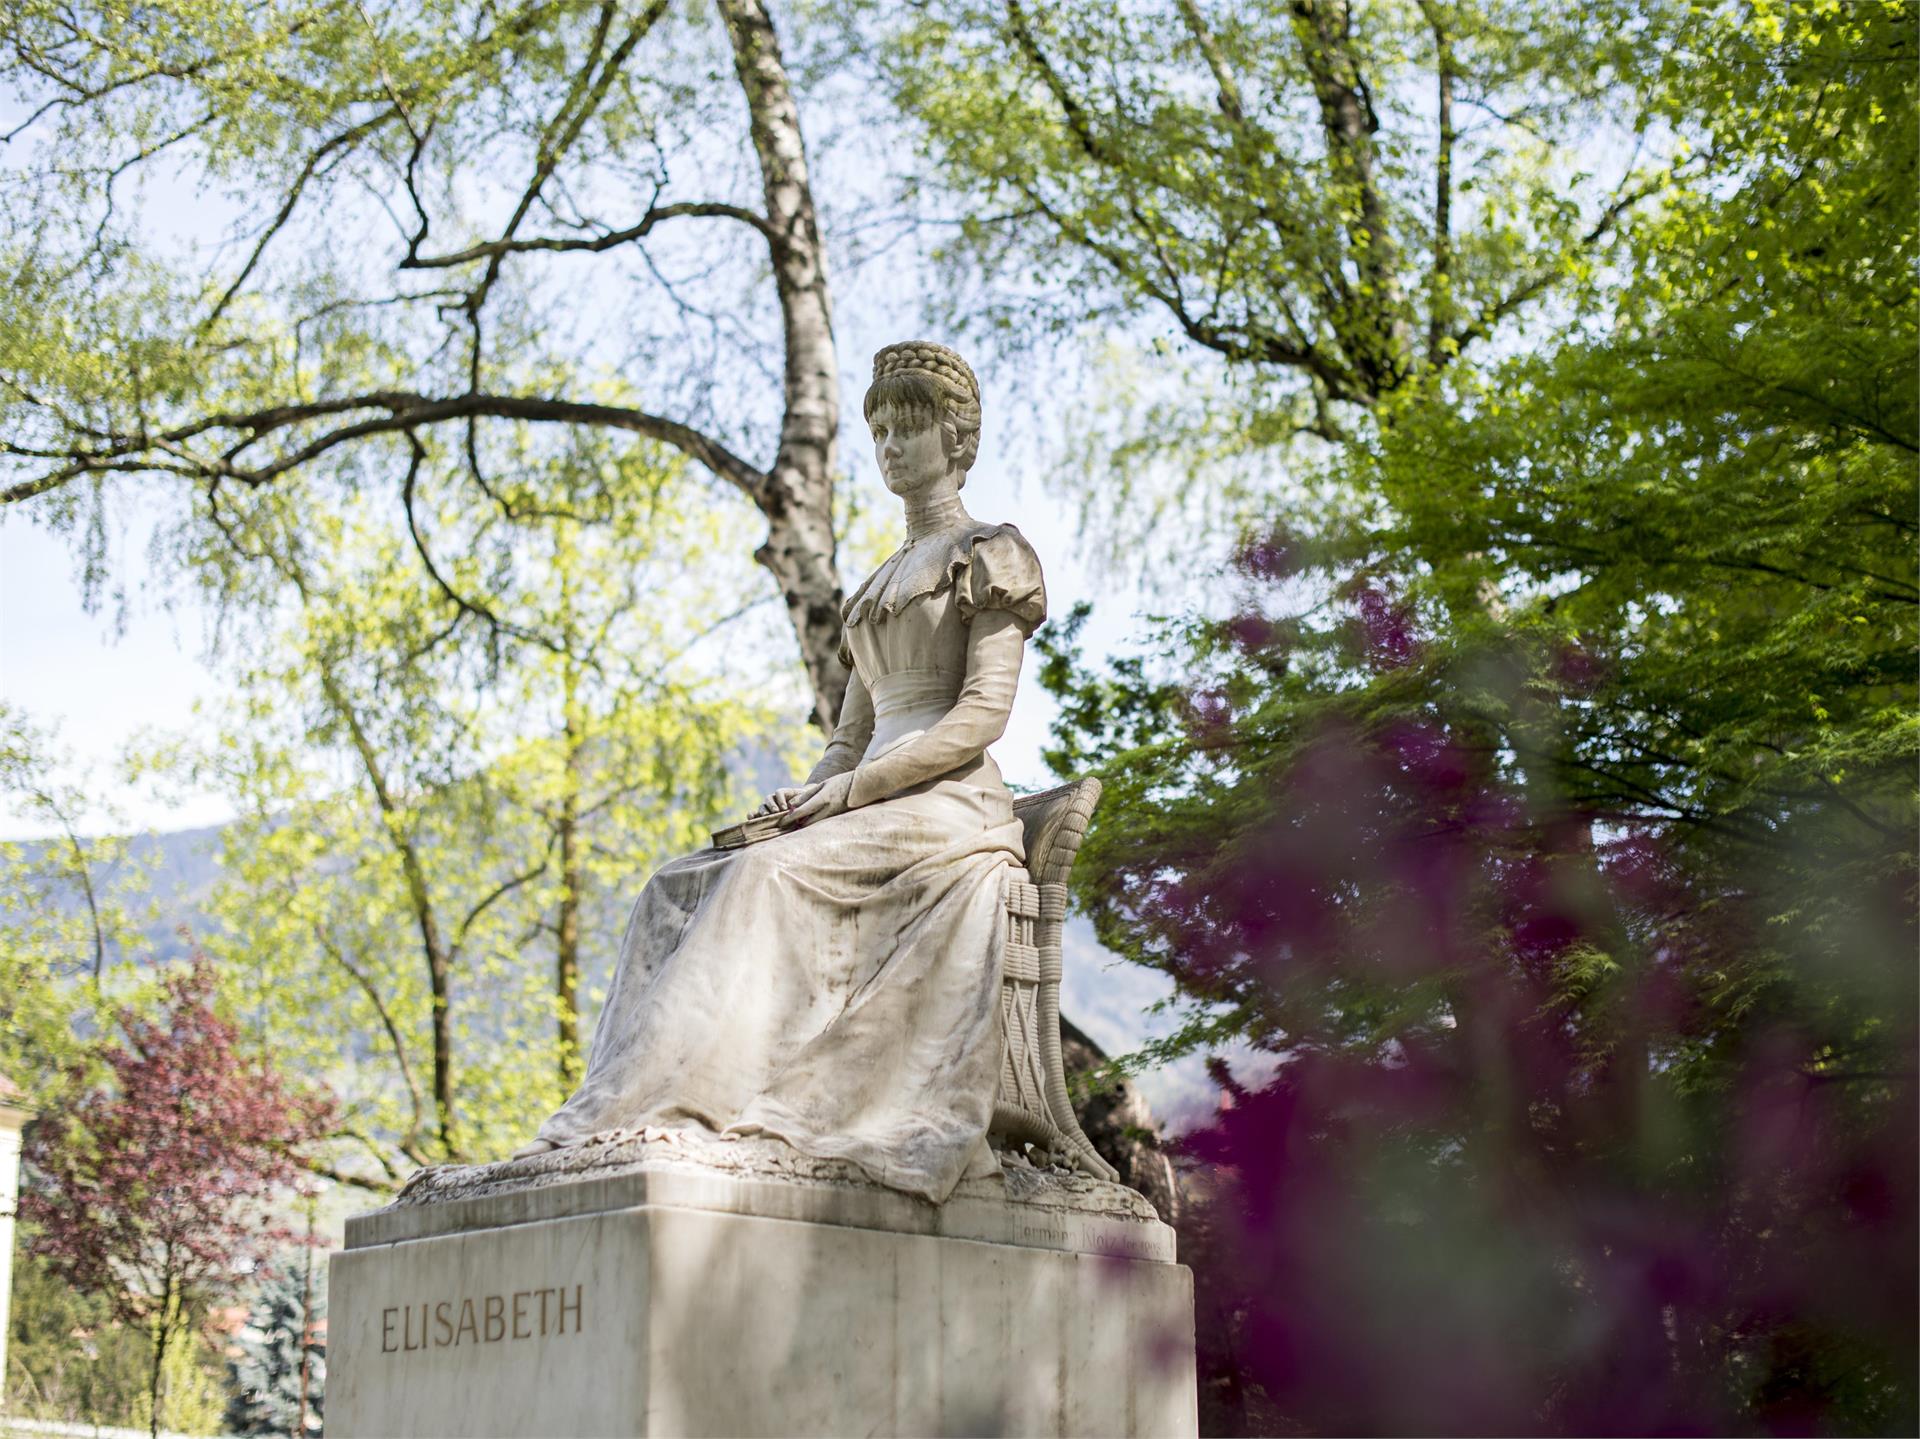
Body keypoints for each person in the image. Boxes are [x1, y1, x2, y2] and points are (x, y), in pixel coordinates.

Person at [512, 341, 1044, 1204]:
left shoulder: (991, 551)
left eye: (911, 428)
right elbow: (849, 735)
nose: (892, 448)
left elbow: (980, 716)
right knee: (673, 887)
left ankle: (698, 1105)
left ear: (957, 440)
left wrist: (854, 790)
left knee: (763, 878)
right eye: (879, 431)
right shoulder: (875, 585)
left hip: (948, 805)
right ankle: (620, 1107)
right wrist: (809, 794)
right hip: (862, 801)